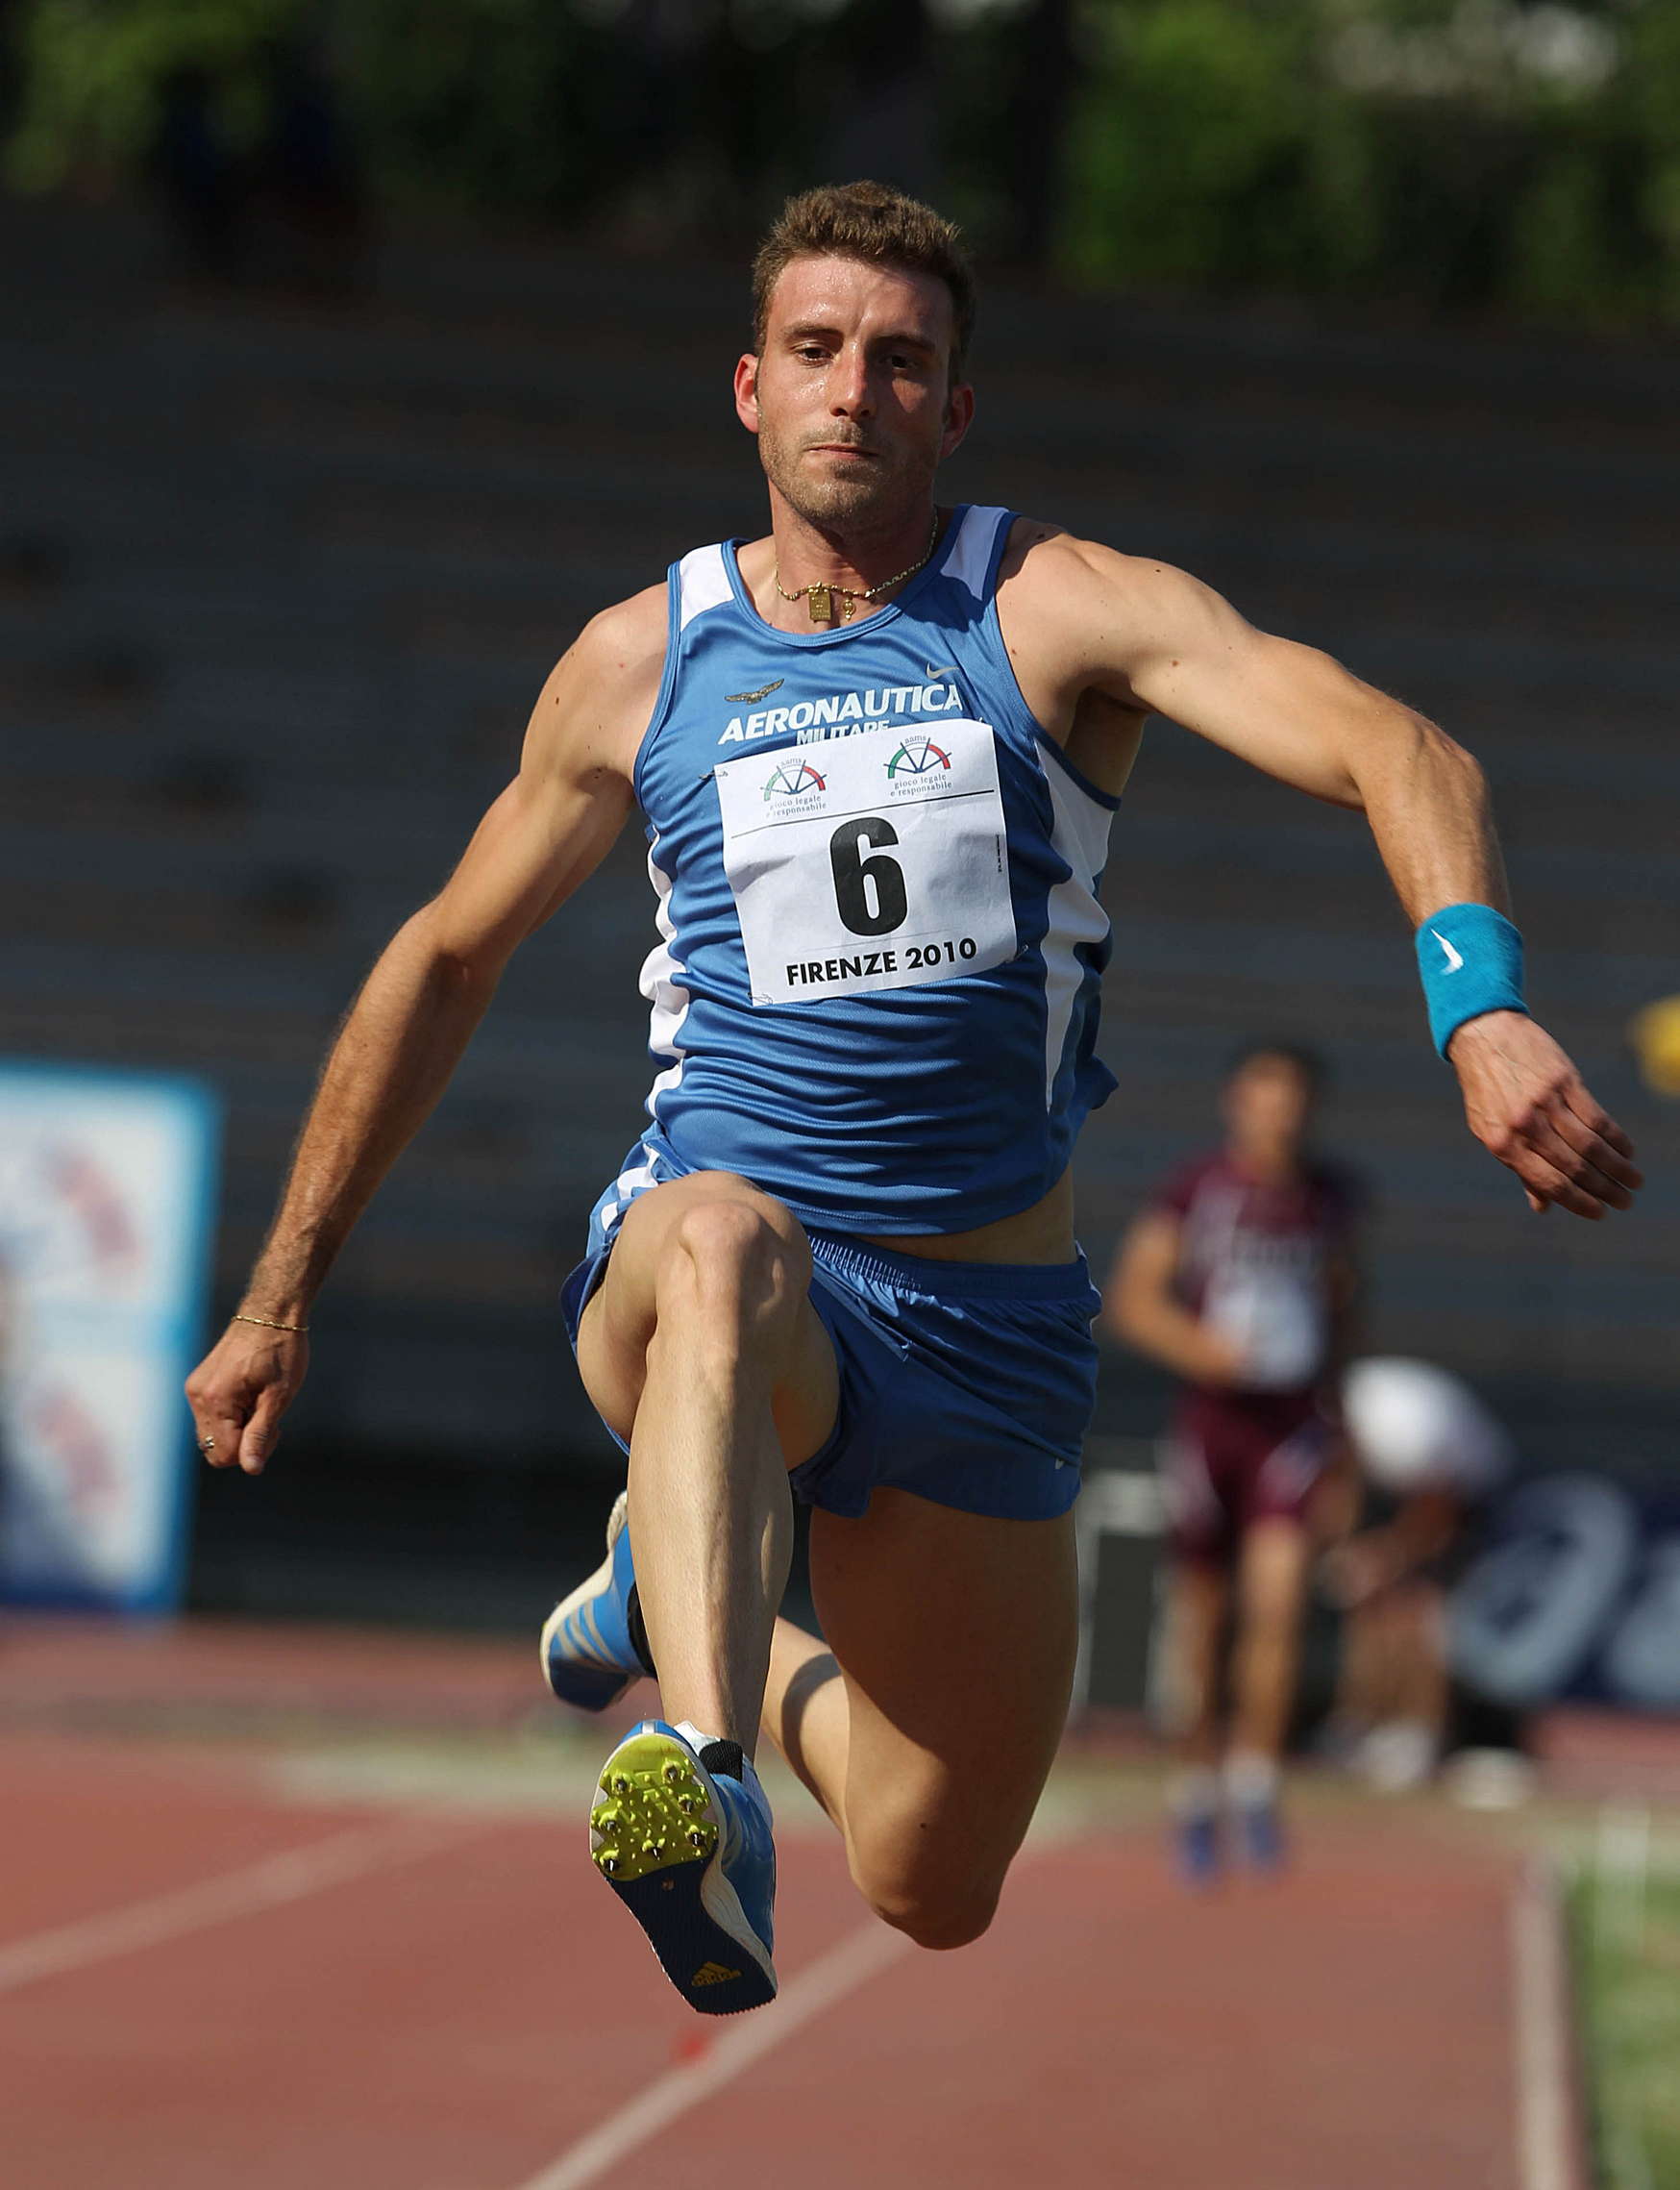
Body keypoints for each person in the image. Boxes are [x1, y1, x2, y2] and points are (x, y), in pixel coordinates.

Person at [185, 181, 1642, 2015]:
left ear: (953, 405)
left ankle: (671, 1597)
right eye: (813, 350)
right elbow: (444, 955)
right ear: (748, 387)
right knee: (721, 1246)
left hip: (983, 1323)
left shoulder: (1051, 609)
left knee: (934, 1878)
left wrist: (1478, 1009)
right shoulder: (643, 658)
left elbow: (1394, 745)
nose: (850, 389)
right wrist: (281, 1285)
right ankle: (702, 1772)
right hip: (721, 1264)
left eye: (896, 359)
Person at [1104, 1042, 1359, 1880]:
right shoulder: (1197, 1190)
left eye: (1294, 1098)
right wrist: (1202, 1349)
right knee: (1204, 1616)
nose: (1279, 1114)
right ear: (1236, 1102)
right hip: (1213, 1425)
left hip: (1291, 1428)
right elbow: (1134, 1300)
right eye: (1264, 1095)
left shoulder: (1329, 1199)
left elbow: (1346, 1312)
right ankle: (1193, 1789)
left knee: (1279, 1606)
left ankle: (1256, 1782)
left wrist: (1344, 1437)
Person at [1323, 1356, 1514, 1791]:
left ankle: (1417, 1732)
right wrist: (1345, 1550)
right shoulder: (1329, 1422)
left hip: (1465, 1489)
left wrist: (1388, 1557)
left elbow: (1436, 1518)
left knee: (1417, 1605)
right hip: (1406, 1485)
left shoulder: (1407, 1434)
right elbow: (1336, 1491)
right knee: (1368, 1599)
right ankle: (1362, 1721)